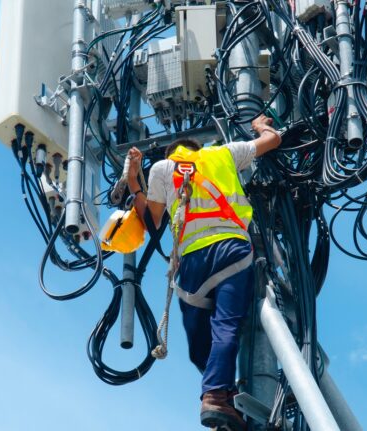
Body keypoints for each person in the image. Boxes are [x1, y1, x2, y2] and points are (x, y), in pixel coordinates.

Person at [126, 114, 282, 430]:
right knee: (226, 325)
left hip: (192, 263)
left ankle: (219, 393)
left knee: (201, 342)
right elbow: (273, 140)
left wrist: (133, 181)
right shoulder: (223, 153)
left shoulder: (162, 168)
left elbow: (151, 221)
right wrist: (261, 126)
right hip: (231, 250)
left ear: (173, 154)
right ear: (199, 147)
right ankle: (217, 394)